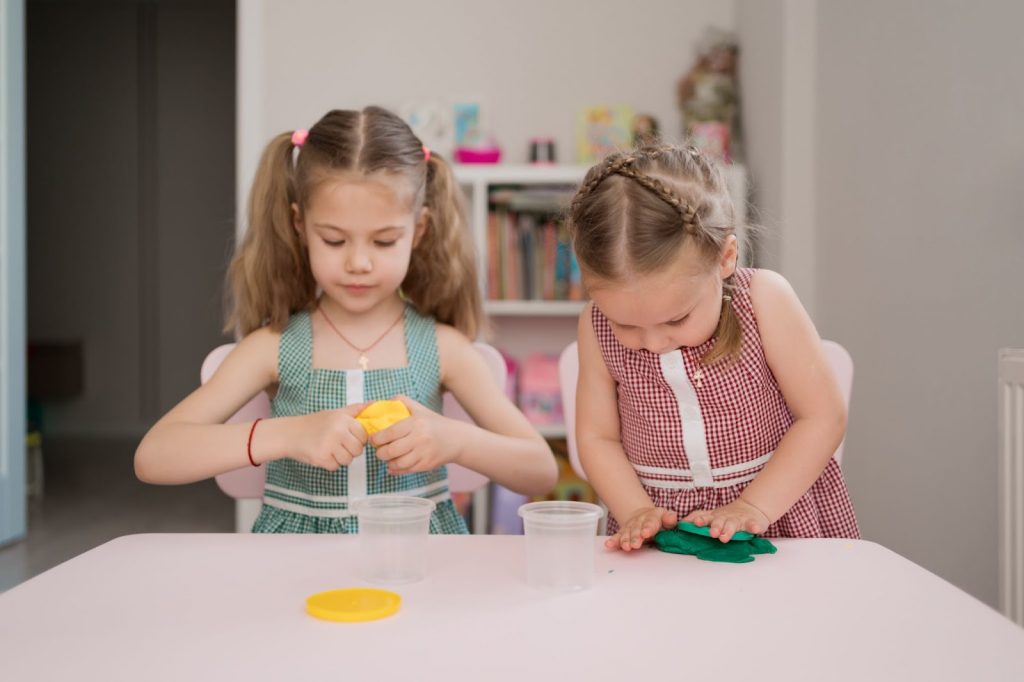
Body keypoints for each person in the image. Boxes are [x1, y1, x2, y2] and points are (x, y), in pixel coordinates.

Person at [135, 106, 557, 533]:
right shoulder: (272, 346)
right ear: (300, 225)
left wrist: (457, 441)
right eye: (334, 240)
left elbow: (540, 471)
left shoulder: (444, 348)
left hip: (416, 568)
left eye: (385, 240)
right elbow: (154, 455)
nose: (359, 263)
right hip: (296, 570)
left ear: (420, 229)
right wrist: (284, 435)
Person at [568, 144, 858, 551]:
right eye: (626, 324)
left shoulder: (762, 299)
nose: (652, 343)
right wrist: (634, 509)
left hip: (773, 514)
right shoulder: (594, 326)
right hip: (659, 527)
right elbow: (598, 437)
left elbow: (822, 416)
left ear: (725, 257)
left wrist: (753, 506)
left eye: (676, 319)